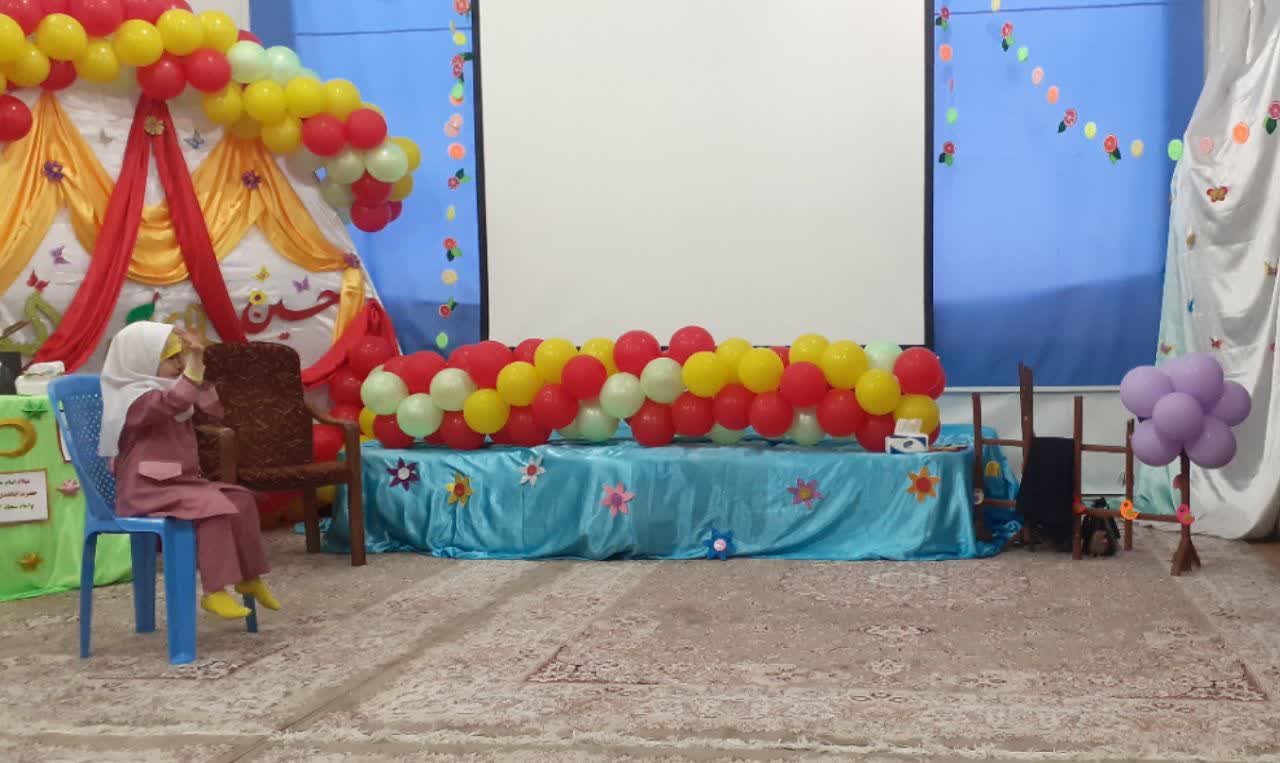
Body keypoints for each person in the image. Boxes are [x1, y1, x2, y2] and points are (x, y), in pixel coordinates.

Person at [99, 321, 281, 620]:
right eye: (171, 358)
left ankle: (249, 577)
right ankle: (214, 590)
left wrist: (195, 371)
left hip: (180, 485)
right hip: (144, 490)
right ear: (142, 360)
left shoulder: (169, 391)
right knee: (212, 508)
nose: (178, 365)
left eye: (179, 358)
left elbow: (211, 408)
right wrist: (194, 364)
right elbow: (174, 401)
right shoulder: (133, 399)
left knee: (241, 500)